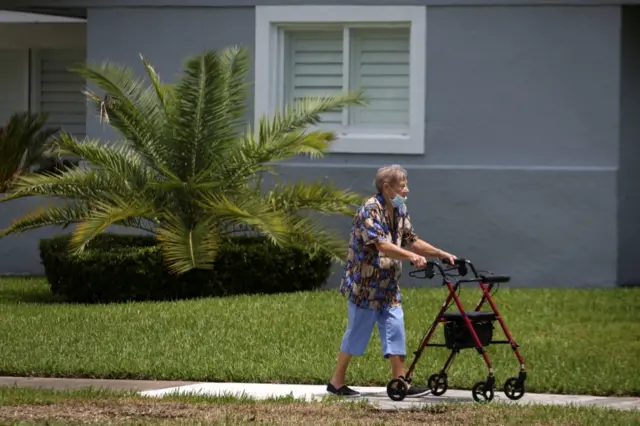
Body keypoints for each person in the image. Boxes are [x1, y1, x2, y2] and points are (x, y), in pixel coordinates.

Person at [326, 165, 457, 397]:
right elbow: (382, 246)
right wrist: (411, 257)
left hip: (388, 286)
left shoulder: (400, 209)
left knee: (395, 330)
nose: (407, 190)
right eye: (402, 185)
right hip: (365, 286)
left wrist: (439, 253)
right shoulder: (369, 210)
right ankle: (336, 382)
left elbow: (410, 239)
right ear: (387, 187)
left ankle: (400, 383)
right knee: (357, 333)